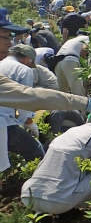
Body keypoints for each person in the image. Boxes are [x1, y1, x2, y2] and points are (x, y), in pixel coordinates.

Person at [20, 111, 91, 215]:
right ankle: (76, 205)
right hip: (57, 202)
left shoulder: (74, 131)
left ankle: (43, 212)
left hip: (28, 196)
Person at [0, 45, 44, 174]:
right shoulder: (24, 70)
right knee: (35, 150)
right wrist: (29, 122)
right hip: (4, 123)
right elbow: (25, 100)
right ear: (27, 59)